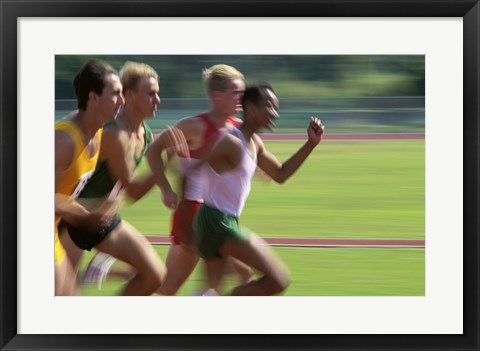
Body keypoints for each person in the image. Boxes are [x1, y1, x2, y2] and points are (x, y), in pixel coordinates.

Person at [60, 61, 189, 295]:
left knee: (155, 275)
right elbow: (134, 191)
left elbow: (148, 162)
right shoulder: (115, 134)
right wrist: (168, 160)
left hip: (101, 218)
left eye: (158, 93)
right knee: (59, 295)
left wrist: (166, 186)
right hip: (79, 218)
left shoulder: (145, 134)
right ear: (129, 95)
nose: (157, 100)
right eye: (150, 94)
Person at [193, 84, 325, 295]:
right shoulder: (232, 141)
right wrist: (182, 211)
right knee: (278, 279)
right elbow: (194, 169)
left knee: (211, 292)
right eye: (269, 107)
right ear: (251, 108)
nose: (275, 113)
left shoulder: (254, 143)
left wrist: (310, 144)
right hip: (217, 221)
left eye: (276, 108)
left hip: (219, 220)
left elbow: (280, 174)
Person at [146, 64, 254, 296]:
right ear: (217, 95)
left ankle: (123, 270)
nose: (241, 98)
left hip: (219, 214)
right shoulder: (194, 126)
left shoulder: (237, 128)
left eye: (242, 93)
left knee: (168, 287)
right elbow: (153, 150)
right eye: (235, 92)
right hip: (193, 214)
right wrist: (165, 188)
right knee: (242, 275)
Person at [55, 59, 124, 295]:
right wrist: (86, 217)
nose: (122, 101)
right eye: (115, 94)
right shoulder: (64, 140)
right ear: (93, 98)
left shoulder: (98, 133)